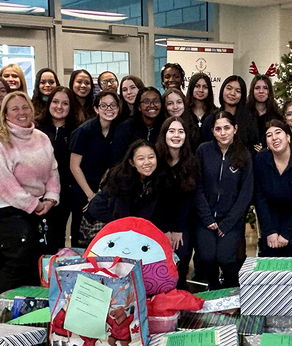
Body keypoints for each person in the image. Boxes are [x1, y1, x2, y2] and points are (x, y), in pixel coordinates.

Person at [0, 91, 59, 321]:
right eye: (14, 109)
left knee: (41, 258)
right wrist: (33, 204)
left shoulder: (41, 137)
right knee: (20, 259)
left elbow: (52, 171)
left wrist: (52, 198)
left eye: (25, 107)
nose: (22, 112)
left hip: (39, 206)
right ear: (5, 114)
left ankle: (28, 312)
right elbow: (2, 182)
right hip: (4, 207)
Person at [195, 111, 253, 288]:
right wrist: (207, 218)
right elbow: (196, 187)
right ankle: (213, 287)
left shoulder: (244, 154)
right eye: (218, 128)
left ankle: (232, 289)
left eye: (227, 128)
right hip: (205, 219)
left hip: (231, 220)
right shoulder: (203, 151)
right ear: (212, 131)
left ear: (235, 129)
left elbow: (246, 192)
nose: (223, 132)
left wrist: (228, 222)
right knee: (207, 257)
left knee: (226, 259)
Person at [254, 120, 292, 257]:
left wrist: (287, 233)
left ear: (288, 137)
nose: (274, 138)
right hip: (271, 218)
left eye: (278, 132)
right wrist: (270, 231)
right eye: (269, 135)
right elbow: (259, 197)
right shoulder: (260, 160)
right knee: (270, 261)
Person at [70, 91, 120, 245]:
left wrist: (99, 191)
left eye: (113, 105)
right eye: (103, 105)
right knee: (80, 231)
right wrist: (90, 195)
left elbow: (110, 165)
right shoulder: (84, 131)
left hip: (101, 189)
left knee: (100, 235)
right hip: (81, 188)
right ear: (96, 109)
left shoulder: (115, 131)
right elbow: (74, 166)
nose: (109, 109)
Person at [37, 86, 83, 251]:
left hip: (66, 193)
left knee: (58, 238)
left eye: (65, 103)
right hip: (38, 193)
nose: (59, 107)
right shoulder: (36, 128)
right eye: (55, 102)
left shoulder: (77, 131)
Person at [155, 117, 199, 289]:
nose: (176, 135)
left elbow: (189, 197)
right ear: (164, 134)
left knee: (182, 253)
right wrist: (165, 230)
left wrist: (178, 229)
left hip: (183, 219)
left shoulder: (191, 161)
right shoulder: (155, 159)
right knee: (162, 257)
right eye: (171, 131)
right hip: (159, 219)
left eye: (180, 132)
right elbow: (155, 201)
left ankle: (180, 292)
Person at [86, 139, 162, 226]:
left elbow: (147, 213)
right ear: (131, 162)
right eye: (141, 159)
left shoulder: (156, 178)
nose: (147, 162)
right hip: (100, 220)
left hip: (126, 221)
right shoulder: (122, 179)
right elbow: (120, 215)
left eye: (151, 157)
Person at [200, 75, 258, 152]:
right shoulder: (210, 119)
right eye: (229, 88)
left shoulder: (249, 119)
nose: (232, 93)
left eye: (238, 91)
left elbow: (253, 148)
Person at [111, 87, 164, 165]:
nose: (152, 105)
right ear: (139, 107)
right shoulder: (125, 128)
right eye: (146, 102)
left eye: (156, 101)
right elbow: (117, 160)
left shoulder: (165, 127)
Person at [247, 75, 281, 151]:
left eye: (265, 88)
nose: (261, 91)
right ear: (252, 90)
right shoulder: (245, 113)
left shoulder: (277, 115)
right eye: (257, 88)